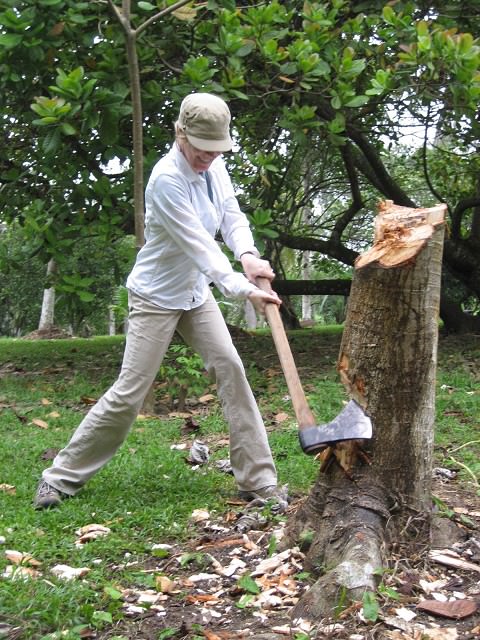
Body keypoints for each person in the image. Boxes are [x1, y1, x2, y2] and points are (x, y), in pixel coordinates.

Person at [34, 92, 288, 512]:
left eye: (217, 149)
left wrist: (247, 254)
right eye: (202, 148)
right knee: (131, 391)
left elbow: (231, 214)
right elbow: (200, 246)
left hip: (194, 294)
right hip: (155, 295)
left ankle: (258, 480)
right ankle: (59, 477)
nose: (209, 156)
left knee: (230, 367)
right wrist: (243, 288)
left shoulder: (214, 164)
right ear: (180, 134)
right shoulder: (166, 179)